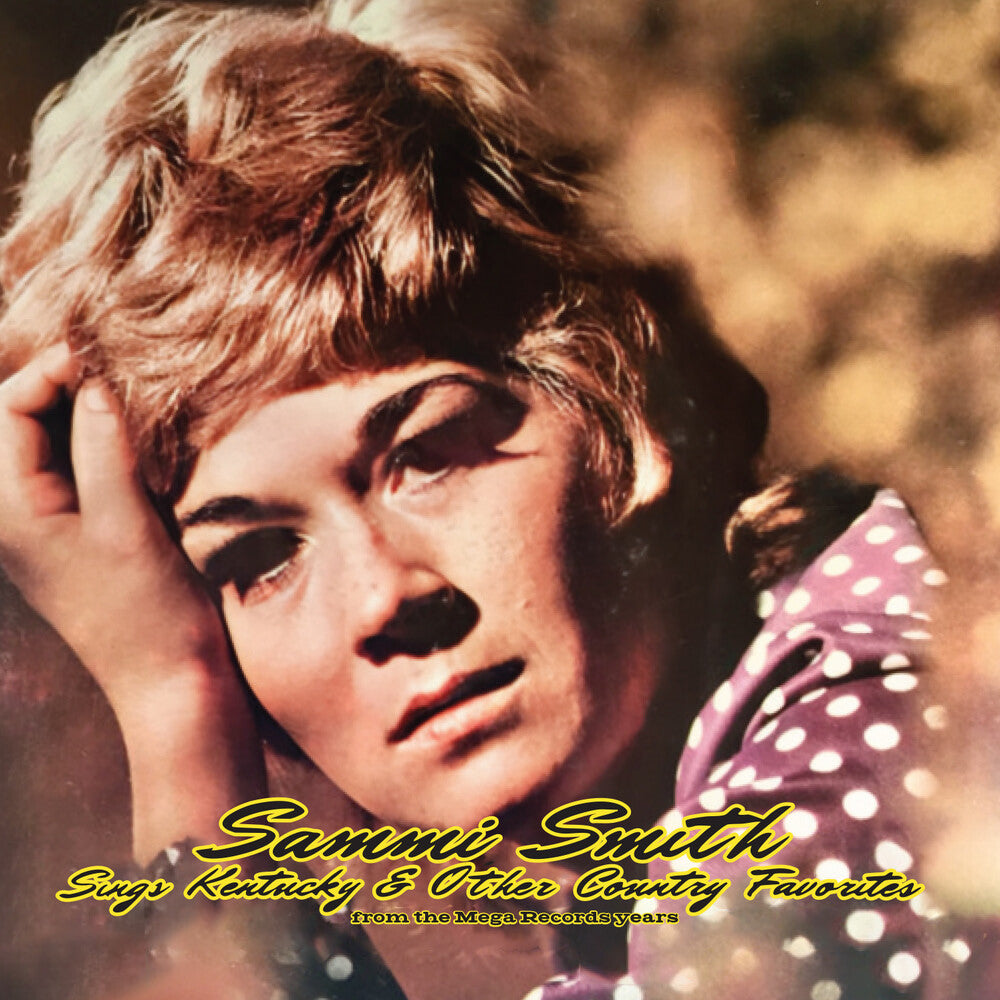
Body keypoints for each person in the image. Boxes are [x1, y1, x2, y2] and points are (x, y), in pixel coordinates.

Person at [0, 2, 980, 998]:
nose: (383, 598)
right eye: (260, 557)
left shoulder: (870, 733)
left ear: (617, 388)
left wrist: (173, 708)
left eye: (427, 455)